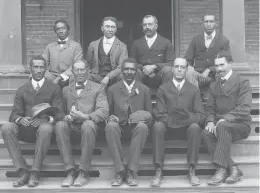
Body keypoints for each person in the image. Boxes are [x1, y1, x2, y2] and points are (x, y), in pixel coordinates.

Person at [1, 55, 64, 187]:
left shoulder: (54, 88)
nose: (39, 70)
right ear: (30, 69)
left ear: (46, 69)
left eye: (42, 67)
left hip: (45, 131)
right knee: (6, 128)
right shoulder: (22, 89)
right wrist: (20, 119)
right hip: (26, 128)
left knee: (46, 128)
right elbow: (14, 114)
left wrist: (46, 119)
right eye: (36, 67)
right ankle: (22, 170)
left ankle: (35, 171)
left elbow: (60, 113)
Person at [151, 58, 205, 187]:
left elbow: (201, 115)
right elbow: (159, 113)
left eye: (182, 67)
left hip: (187, 129)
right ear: (172, 69)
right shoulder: (163, 88)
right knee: (157, 126)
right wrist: (172, 121)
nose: (179, 69)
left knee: (195, 127)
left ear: (187, 70)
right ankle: (158, 170)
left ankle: (192, 169)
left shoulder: (193, 89)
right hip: (167, 128)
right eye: (176, 66)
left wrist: (186, 120)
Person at [55, 59, 109, 187]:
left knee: (88, 125)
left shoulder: (98, 88)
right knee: (60, 125)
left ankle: (84, 171)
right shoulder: (66, 89)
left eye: (82, 69)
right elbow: (59, 111)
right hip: (72, 126)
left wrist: (86, 116)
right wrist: (66, 117)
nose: (79, 72)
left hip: (90, 127)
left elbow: (104, 111)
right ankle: (70, 171)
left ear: (87, 71)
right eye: (76, 70)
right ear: (72, 72)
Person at [202, 54, 251, 186]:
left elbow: (245, 107)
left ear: (230, 64)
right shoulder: (214, 85)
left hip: (240, 125)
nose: (219, 69)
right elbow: (210, 108)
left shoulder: (242, 81)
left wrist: (225, 119)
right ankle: (233, 168)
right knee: (206, 133)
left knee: (222, 126)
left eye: (222, 65)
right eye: (216, 66)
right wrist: (210, 121)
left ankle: (221, 169)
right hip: (220, 124)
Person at [105, 58, 153, 186]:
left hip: (136, 128)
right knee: (110, 126)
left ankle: (131, 171)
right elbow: (107, 112)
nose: (129, 72)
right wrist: (110, 118)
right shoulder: (112, 89)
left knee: (143, 127)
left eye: (132, 69)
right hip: (118, 127)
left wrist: (141, 118)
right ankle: (120, 171)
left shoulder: (144, 89)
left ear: (136, 71)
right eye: (126, 69)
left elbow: (150, 115)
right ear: (121, 71)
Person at [184, 14, 230, 100]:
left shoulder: (223, 41)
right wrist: (189, 67)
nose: (209, 24)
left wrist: (210, 70)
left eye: (211, 21)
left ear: (215, 23)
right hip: (198, 74)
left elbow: (225, 60)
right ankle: (196, 99)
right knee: (188, 73)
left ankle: (215, 98)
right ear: (202, 24)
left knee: (223, 71)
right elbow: (188, 58)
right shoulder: (196, 39)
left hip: (214, 75)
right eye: (206, 22)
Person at [131, 15, 175, 88]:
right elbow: (132, 62)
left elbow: (171, 62)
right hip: (142, 75)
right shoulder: (136, 43)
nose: (147, 27)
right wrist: (144, 68)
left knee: (169, 70)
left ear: (156, 26)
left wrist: (155, 66)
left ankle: (167, 96)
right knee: (134, 71)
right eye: (145, 25)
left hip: (160, 75)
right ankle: (137, 97)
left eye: (150, 24)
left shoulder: (166, 42)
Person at [86, 16, 128, 87]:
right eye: (107, 27)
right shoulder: (93, 44)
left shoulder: (122, 46)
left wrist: (108, 77)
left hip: (114, 78)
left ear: (116, 29)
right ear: (102, 28)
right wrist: (89, 72)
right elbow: (88, 63)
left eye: (113, 27)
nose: (110, 29)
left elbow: (121, 67)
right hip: (97, 77)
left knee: (123, 76)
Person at [42, 20, 83, 88]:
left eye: (63, 28)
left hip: (69, 76)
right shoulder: (50, 46)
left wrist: (60, 77)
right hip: (53, 76)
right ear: (55, 32)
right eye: (58, 29)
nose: (61, 31)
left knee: (75, 76)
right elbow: (43, 63)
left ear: (68, 30)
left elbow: (76, 64)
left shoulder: (76, 46)